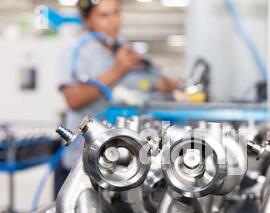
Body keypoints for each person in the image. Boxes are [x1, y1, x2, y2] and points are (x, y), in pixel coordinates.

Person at [54, 0, 178, 198]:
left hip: (121, 161)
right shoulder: (76, 51)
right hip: (83, 163)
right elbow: (73, 99)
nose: (114, 21)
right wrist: (120, 68)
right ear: (87, 20)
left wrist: (164, 83)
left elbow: (148, 83)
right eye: (104, 15)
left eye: (116, 13)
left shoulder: (122, 50)